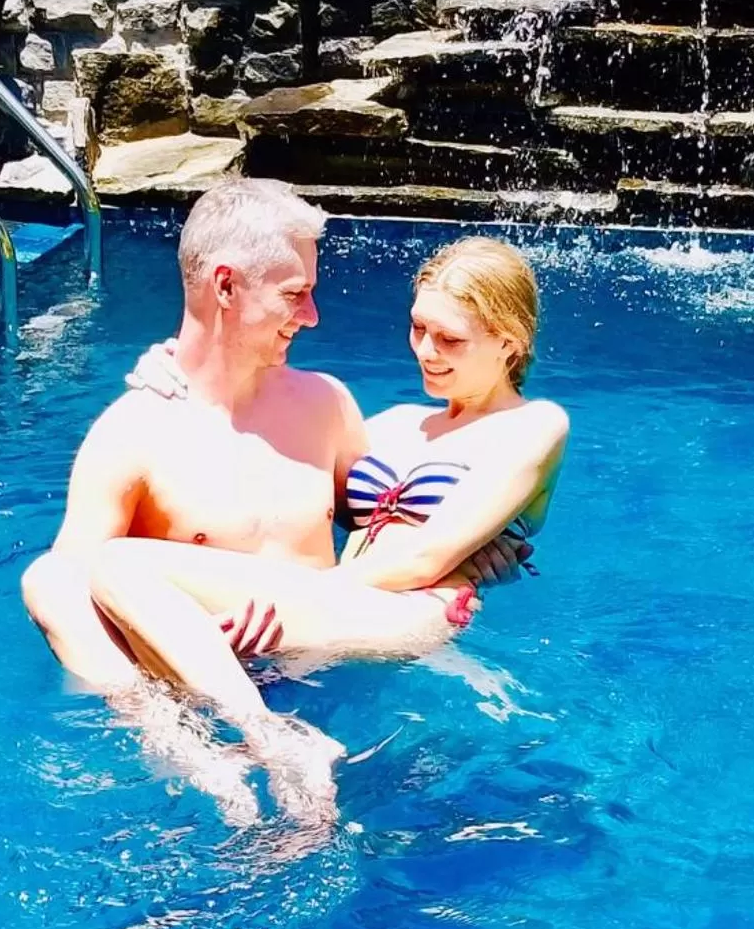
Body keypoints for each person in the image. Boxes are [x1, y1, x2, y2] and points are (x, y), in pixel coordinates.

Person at [83, 234, 569, 817]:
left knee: (118, 564)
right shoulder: (394, 423)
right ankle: (213, 754)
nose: (426, 351)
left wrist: (283, 595)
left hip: (412, 614)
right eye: (418, 329)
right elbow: (281, 473)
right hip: (340, 606)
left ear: (508, 344)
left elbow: (422, 558)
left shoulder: (535, 426)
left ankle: (265, 735)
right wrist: (177, 369)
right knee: (129, 608)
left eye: (450, 340)